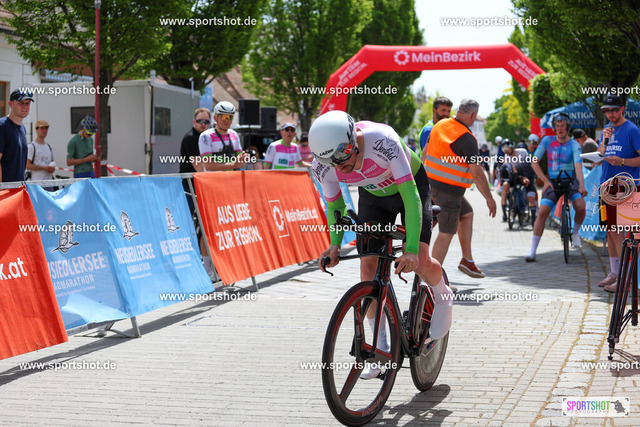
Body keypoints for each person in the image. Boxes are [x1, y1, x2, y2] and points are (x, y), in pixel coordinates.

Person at [311, 110, 453, 378]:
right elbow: (335, 205)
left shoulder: (382, 141)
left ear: (353, 140)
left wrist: (411, 249)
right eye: (332, 163)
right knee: (368, 267)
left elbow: (410, 196)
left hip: (409, 187)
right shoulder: (323, 165)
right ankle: (380, 348)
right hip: (374, 197)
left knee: (420, 260)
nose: (340, 167)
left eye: (343, 157)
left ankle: (444, 296)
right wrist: (334, 245)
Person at [425, 99, 497, 278]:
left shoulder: (440, 125)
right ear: (473, 115)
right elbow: (477, 173)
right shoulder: (466, 138)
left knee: (467, 214)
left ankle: (467, 260)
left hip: (434, 186)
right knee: (446, 233)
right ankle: (431, 281)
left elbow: (425, 152)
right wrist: (489, 198)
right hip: (449, 192)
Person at [524, 112, 587, 262]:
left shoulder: (574, 144)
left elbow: (578, 166)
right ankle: (532, 251)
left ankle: (575, 232)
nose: (560, 128)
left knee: (581, 207)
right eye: (557, 126)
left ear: (567, 127)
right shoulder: (547, 140)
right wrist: (545, 181)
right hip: (553, 182)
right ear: (554, 127)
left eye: (562, 125)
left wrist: (582, 185)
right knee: (542, 212)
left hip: (570, 181)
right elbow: (534, 162)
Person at [595, 95, 640, 292]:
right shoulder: (608, 130)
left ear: (622, 109)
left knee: (619, 232)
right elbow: (599, 157)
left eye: (613, 110)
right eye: (607, 110)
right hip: (607, 187)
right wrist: (604, 141)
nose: (610, 114)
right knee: (610, 230)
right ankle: (616, 273)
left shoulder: (632, 130)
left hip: (625, 188)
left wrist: (622, 161)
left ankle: (627, 279)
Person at [179, 107, 213, 278]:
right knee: (193, 226)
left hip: (202, 186)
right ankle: (192, 263)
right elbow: (198, 165)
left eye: (206, 121)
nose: (203, 124)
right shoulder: (191, 137)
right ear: (194, 122)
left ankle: (206, 264)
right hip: (190, 188)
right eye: (200, 121)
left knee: (204, 226)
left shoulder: (208, 138)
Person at [198, 101, 247, 171]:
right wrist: (234, 164)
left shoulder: (234, 134)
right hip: (213, 177)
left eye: (230, 117)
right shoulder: (206, 136)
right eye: (224, 117)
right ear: (215, 118)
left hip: (230, 177)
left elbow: (241, 164)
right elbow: (208, 165)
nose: (227, 120)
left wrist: (243, 158)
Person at [499, 139, 537, 222]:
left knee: (531, 197)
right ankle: (505, 212)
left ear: (512, 147)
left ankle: (534, 220)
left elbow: (527, 165)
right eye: (503, 149)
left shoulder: (522, 152)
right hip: (516, 176)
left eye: (506, 148)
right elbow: (508, 169)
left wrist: (525, 177)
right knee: (505, 186)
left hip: (527, 175)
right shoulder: (507, 157)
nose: (505, 150)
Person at [0, 89, 33, 183]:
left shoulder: (22, 128)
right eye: (21, 103)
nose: (25, 107)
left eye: (27, 103)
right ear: (10, 104)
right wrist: (2, 189)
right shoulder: (2, 126)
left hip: (19, 187)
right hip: (6, 189)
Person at [26, 120, 56, 186]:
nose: (44, 131)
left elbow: (52, 162)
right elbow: (27, 165)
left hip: (49, 183)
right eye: (42, 128)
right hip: (36, 183)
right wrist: (44, 168)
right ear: (36, 129)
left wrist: (52, 168)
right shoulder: (31, 146)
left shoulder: (49, 146)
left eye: (46, 128)